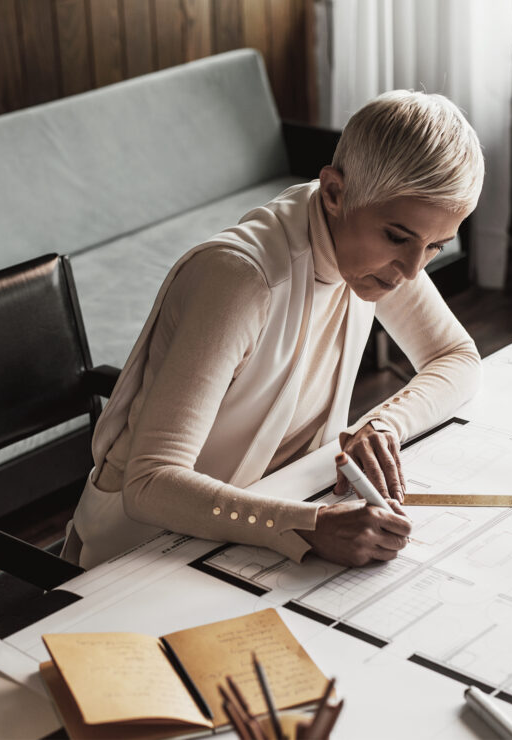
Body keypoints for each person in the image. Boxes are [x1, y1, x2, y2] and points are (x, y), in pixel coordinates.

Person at [61, 90, 484, 570]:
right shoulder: (241, 279)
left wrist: (383, 423)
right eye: (398, 238)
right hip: (142, 552)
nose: (411, 271)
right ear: (334, 193)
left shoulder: (375, 247)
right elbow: (150, 485)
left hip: (257, 525)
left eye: (435, 247)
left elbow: (457, 357)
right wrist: (304, 525)